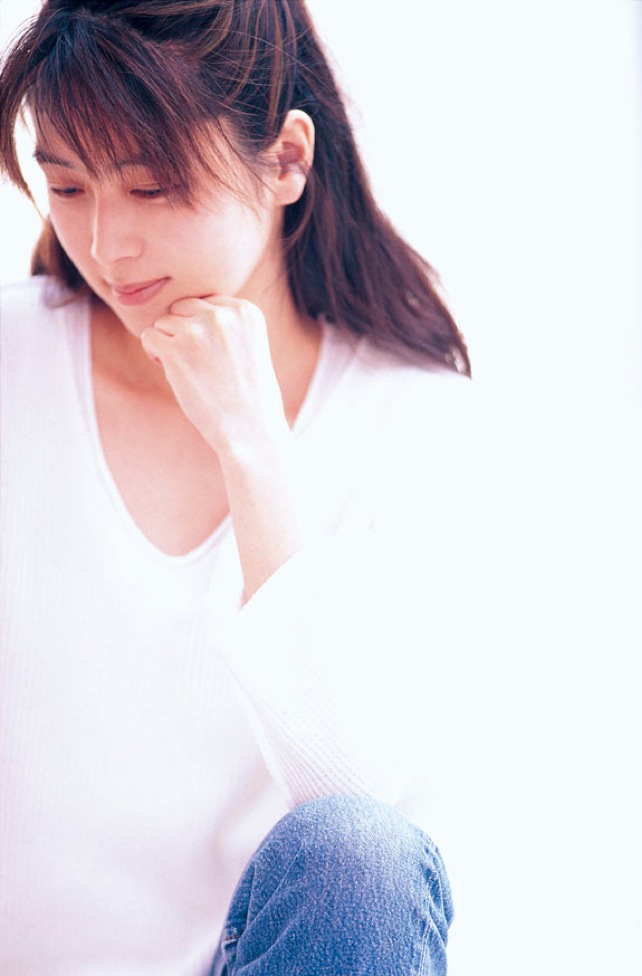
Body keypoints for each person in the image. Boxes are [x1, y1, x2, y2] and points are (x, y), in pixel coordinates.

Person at [0, 2, 472, 973]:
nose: (107, 243)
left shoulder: (411, 417)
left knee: (358, 859)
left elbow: (356, 815)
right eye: (69, 187)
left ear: (287, 160)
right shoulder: (15, 361)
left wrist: (253, 446)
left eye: (153, 187)